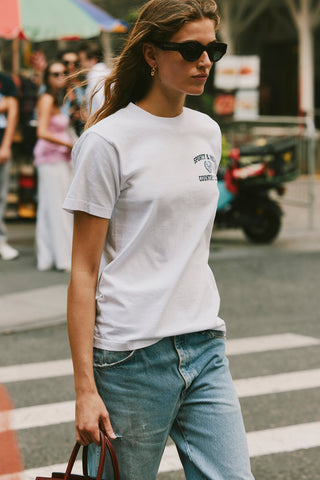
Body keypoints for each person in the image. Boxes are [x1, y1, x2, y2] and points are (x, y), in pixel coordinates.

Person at [63, 1, 255, 479]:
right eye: (190, 49)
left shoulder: (207, 132)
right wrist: (85, 388)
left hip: (203, 342)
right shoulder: (108, 142)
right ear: (151, 54)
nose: (205, 61)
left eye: (213, 48)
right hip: (130, 357)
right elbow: (84, 272)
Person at [33, 60, 74, 271]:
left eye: (63, 73)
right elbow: (42, 131)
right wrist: (68, 143)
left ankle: (51, 255)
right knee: (57, 206)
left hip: (59, 157)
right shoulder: (47, 98)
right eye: (55, 73)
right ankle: (60, 256)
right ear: (47, 77)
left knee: (53, 206)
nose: (61, 77)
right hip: (50, 158)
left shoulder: (59, 100)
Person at [0, 69, 19, 260]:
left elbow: (13, 111)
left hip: (1, 146)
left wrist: (6, 145)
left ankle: (1, 240)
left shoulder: (5, 80)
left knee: (1, 196)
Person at [59, 49, 86, 136]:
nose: (71, 66)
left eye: (75, 63)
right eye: (67, 62)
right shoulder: (51, 88)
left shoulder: (79, 89)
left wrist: (80, 114)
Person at [78, 42, 110, 115]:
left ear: (93, 60)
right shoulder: (105, 73)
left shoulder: (96, 79)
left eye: (81, 60)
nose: (80, 64)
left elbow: (103, 108)